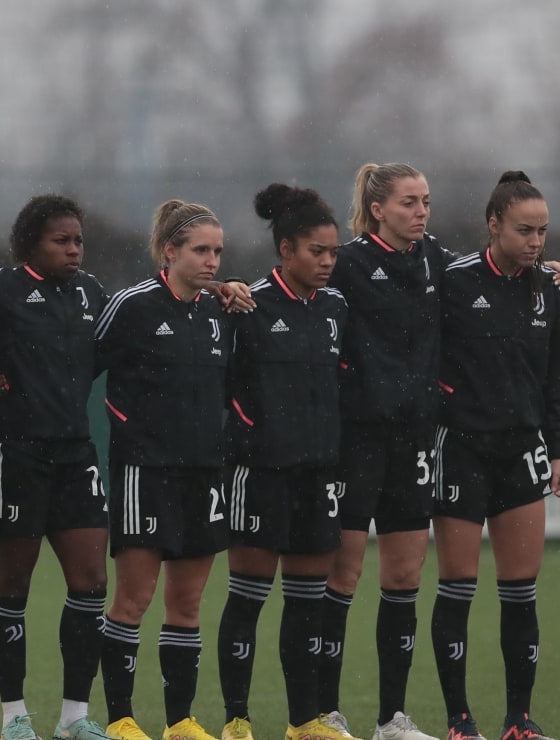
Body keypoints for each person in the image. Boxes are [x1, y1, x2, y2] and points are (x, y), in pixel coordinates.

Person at [316, 163, 560, 740]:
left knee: (415, 578)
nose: (422, 211)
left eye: (427, 201)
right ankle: (333, 713)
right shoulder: (367, 266)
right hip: (381, 440)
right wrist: (232, 289)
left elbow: (553, 371)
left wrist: (554, 274)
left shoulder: (446, 265)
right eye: (410, 201)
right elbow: (300, 289)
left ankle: (415, 719)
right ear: (379, 208)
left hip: (437, 443)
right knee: (352, 575)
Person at [429, 171, 560, 740]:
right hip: (461, 449)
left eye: (542, 231)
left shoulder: (549, 289)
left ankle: (519, 718)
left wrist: (558, 450)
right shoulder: (454, 281)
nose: (537, 241)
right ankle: (459, 719)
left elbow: (556, 377)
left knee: (520, 588)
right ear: (494, 225)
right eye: (525, 230)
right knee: (458, 584)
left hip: (522, 452)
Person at [216, 183, 352, 740]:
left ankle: (304, 723)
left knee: (307, 606)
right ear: (286, 249)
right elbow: (221, 385)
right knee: (247, 598)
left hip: (318, 475)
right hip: (261, 474)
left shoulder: (337, 308)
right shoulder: (246, 303)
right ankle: (237, 721)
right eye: (317, 252)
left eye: (333, 253)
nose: (326, 262)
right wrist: (255, 437)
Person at [94, 200, 231, 740]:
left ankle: (180, 721)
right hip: (144, 472)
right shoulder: (132, 306)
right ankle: (122, 719)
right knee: (133, 600)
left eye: (218, 251)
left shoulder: (221, 311)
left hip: (203, 474)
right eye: (201, 250)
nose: (212, 261)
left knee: (188, 603)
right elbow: (79, 365)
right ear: (169, 251)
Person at [0, 195, 111, 740]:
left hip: (75, 453)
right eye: (62, 240)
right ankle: (14, 717)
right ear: (32, 242)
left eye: (78, 239)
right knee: (14, 584)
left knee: (92, 583)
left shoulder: (91, 292)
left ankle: (75, 718)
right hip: (17, 455)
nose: (74, 249)